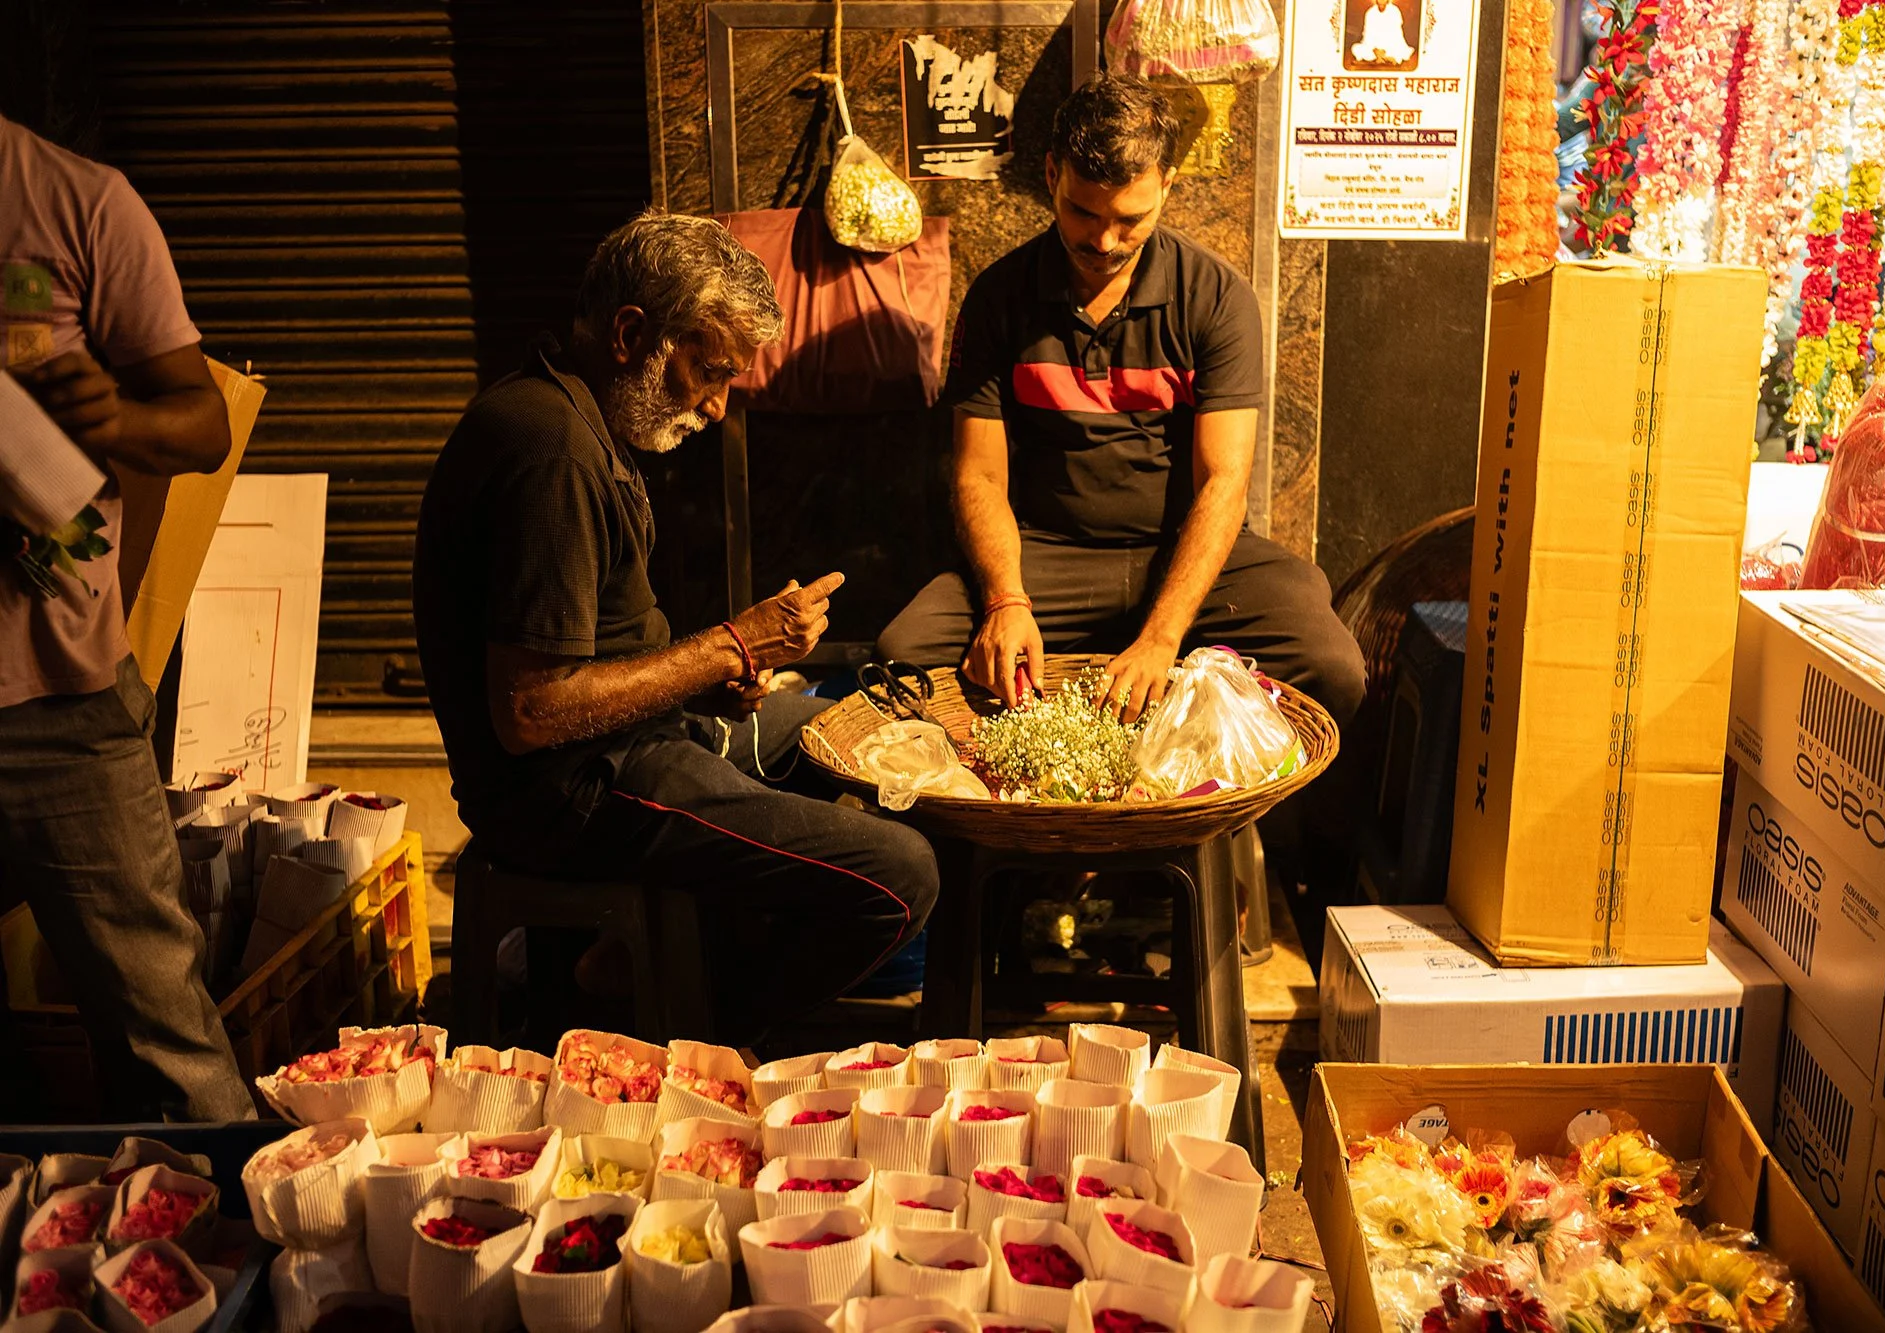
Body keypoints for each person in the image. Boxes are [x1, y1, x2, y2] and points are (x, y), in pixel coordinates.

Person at [415, 210, 939, 1042]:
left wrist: (715, 673)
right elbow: (532, 713)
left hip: (640, 736)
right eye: (710, 370)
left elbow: (607, 646)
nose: (718, 404)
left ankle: (659, 964)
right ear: (632, 333)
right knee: (899, 873)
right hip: (573, 791)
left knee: (870, 734)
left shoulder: (582, 420)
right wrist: (732, 645)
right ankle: (678, 1032)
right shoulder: (549, 451)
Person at [878, 76, 1366, 736]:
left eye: (1130, 219)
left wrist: (1163, 637)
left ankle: (1245, 827)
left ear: (1168, 184)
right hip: (1046, 555)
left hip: (1179, 548)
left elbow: (1225, 481)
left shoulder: (1216, 297)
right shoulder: (999, 298)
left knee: (1330, 663)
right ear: (1052, 175)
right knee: (903, 659)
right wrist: (1005, 599)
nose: (1104, 241)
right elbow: (979, 475)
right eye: (1084, 212)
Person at [0, 111, 257, 1121]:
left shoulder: (74, 202)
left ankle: (232, 1247)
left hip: (60, 702)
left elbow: (198, 419)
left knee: (165, 1034)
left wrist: (115, 418)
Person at [1352, 0, 1415, 65]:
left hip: (1391, 45)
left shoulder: (1394, 11)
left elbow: (1396, 35)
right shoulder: (1370, 13)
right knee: (1355, 48)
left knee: (1400, 51)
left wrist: (1384, 50)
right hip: (1374, 46)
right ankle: (1384, 59)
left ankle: (1377, 59)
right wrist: (1375, 50)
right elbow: (1368, 35)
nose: (1381, 1)